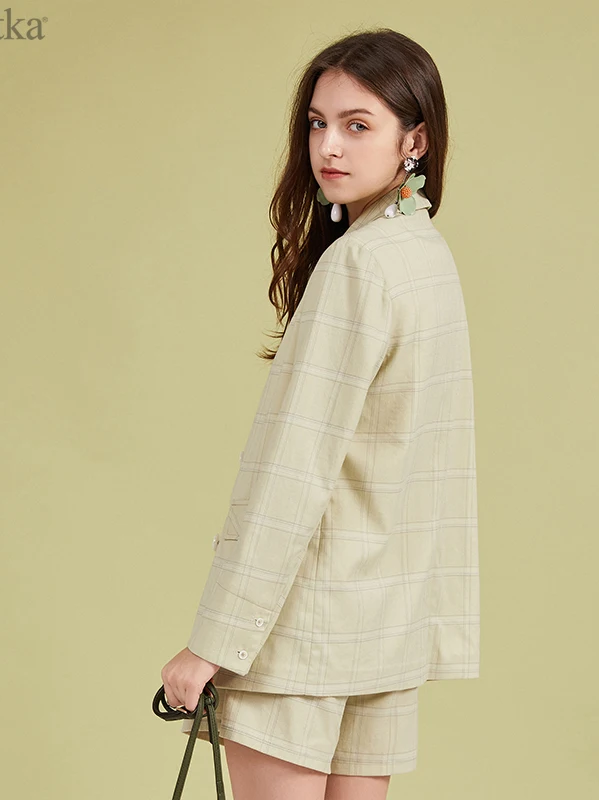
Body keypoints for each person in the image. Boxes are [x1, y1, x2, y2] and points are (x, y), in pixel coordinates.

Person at [161, 27, 479, 800]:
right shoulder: (425, 256)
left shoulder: (360, 265)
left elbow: (293, 472)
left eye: (357, 124)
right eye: (317, 122)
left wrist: (214, 642)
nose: (328, 146)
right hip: (385, 626)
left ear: (415, 140)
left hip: (303, 630)